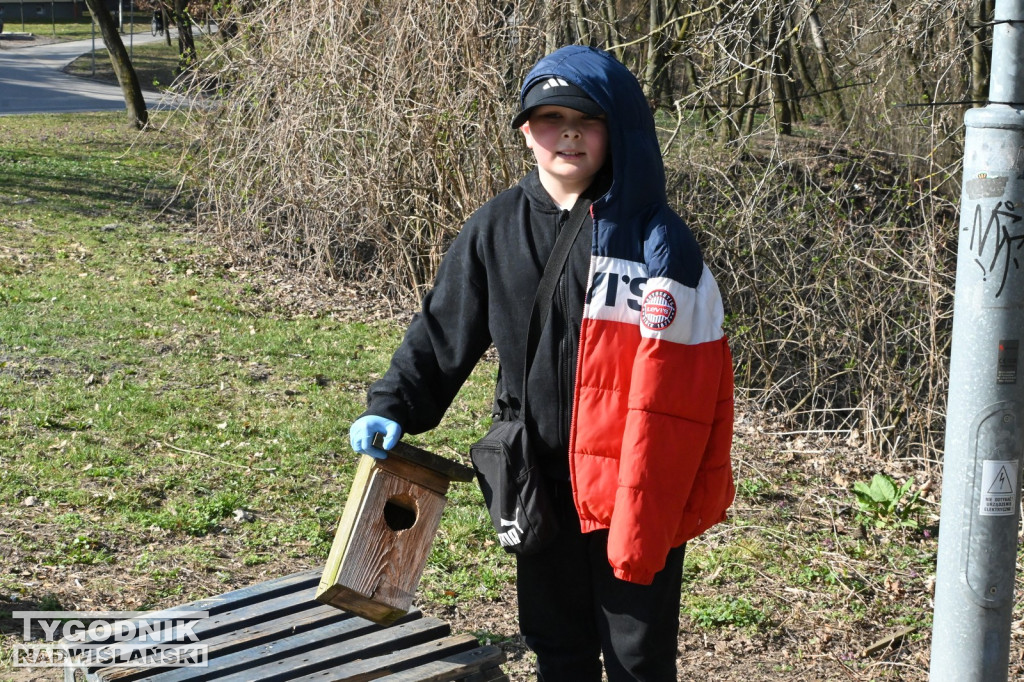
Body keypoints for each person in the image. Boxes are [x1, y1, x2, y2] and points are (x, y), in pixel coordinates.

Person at [350, 45, 735, 681]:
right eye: (552, 118)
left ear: (617, 132)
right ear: (528, 131)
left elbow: (693, 386)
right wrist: (393, 403)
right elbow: (445, 330)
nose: (570, 134)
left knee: (638, 659)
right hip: (536, 482)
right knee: (557, 648)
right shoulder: (494, 228)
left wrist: (672, 488)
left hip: (628, 489)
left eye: (587, 119)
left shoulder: (656, 240)